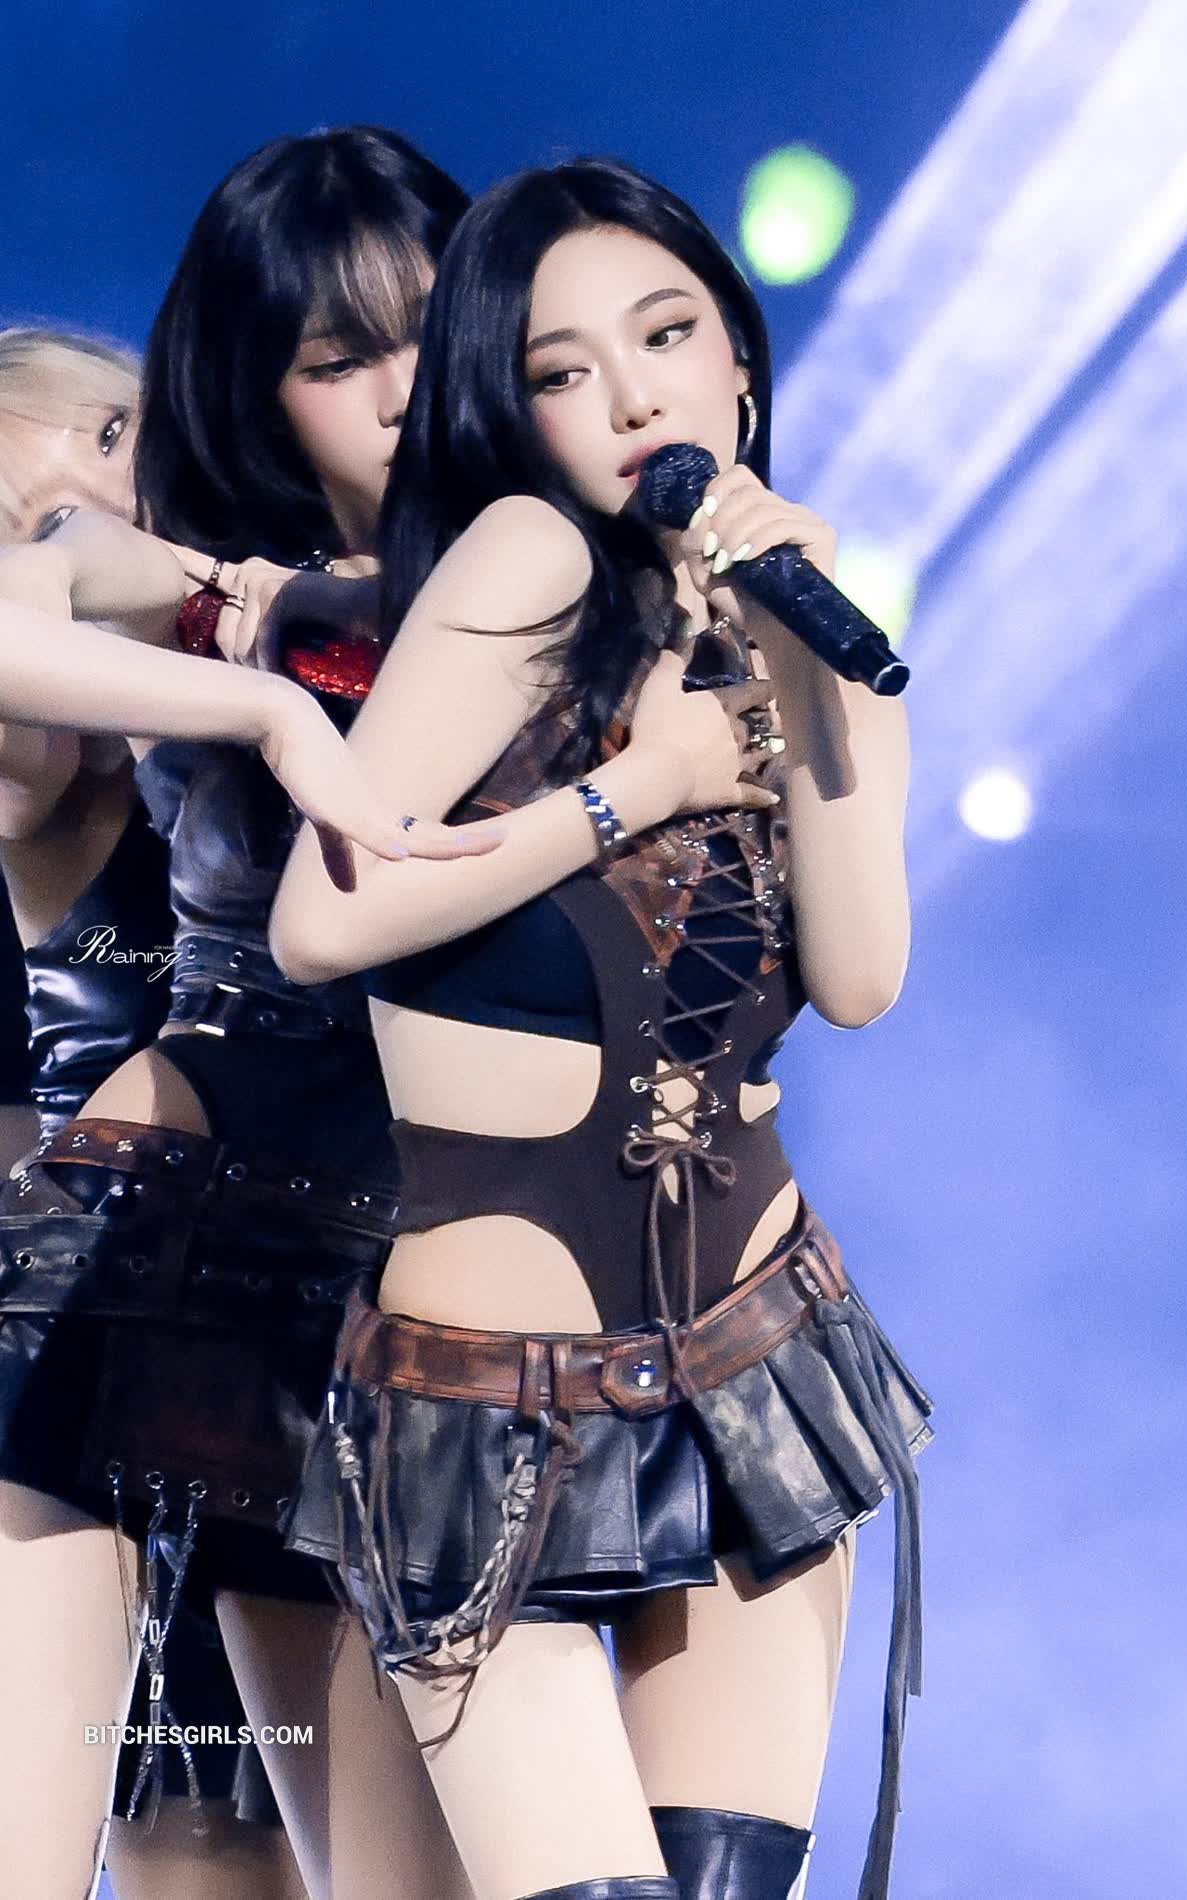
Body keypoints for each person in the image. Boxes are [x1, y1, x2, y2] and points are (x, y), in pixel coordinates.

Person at [271, 159, 932, 1900]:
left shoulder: (806, 618)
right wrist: (635, 790)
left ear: (739, 365)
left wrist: (808, 676)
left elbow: (860, 978)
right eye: (562, 369)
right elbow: (321, 916)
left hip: (755, 1374)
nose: (633, 396)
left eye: (665, 335)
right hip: (488, 1414)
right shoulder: (529, 562)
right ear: (513, 412)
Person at [0, 130, 489, 1900]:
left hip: (388, 1322)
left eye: (107, 432)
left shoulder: (439, 602)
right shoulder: (151, 669)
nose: (86, 488)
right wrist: (267, 696)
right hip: (145, 1307)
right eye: (28, 488)